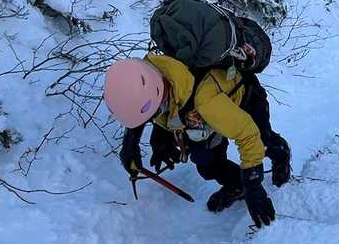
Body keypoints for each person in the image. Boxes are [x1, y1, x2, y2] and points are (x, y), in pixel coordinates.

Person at [103, 53, 291, 227]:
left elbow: (248, 135)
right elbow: (138, 99)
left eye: (150, 114)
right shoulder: (148, 72)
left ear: (158, 97)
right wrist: (130, 143)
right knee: (206, 163)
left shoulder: (205, 103)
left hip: (244, 96)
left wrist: (253, 186)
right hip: (200, 114)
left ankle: (281, 152)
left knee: (262, 140)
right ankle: (236, 185)